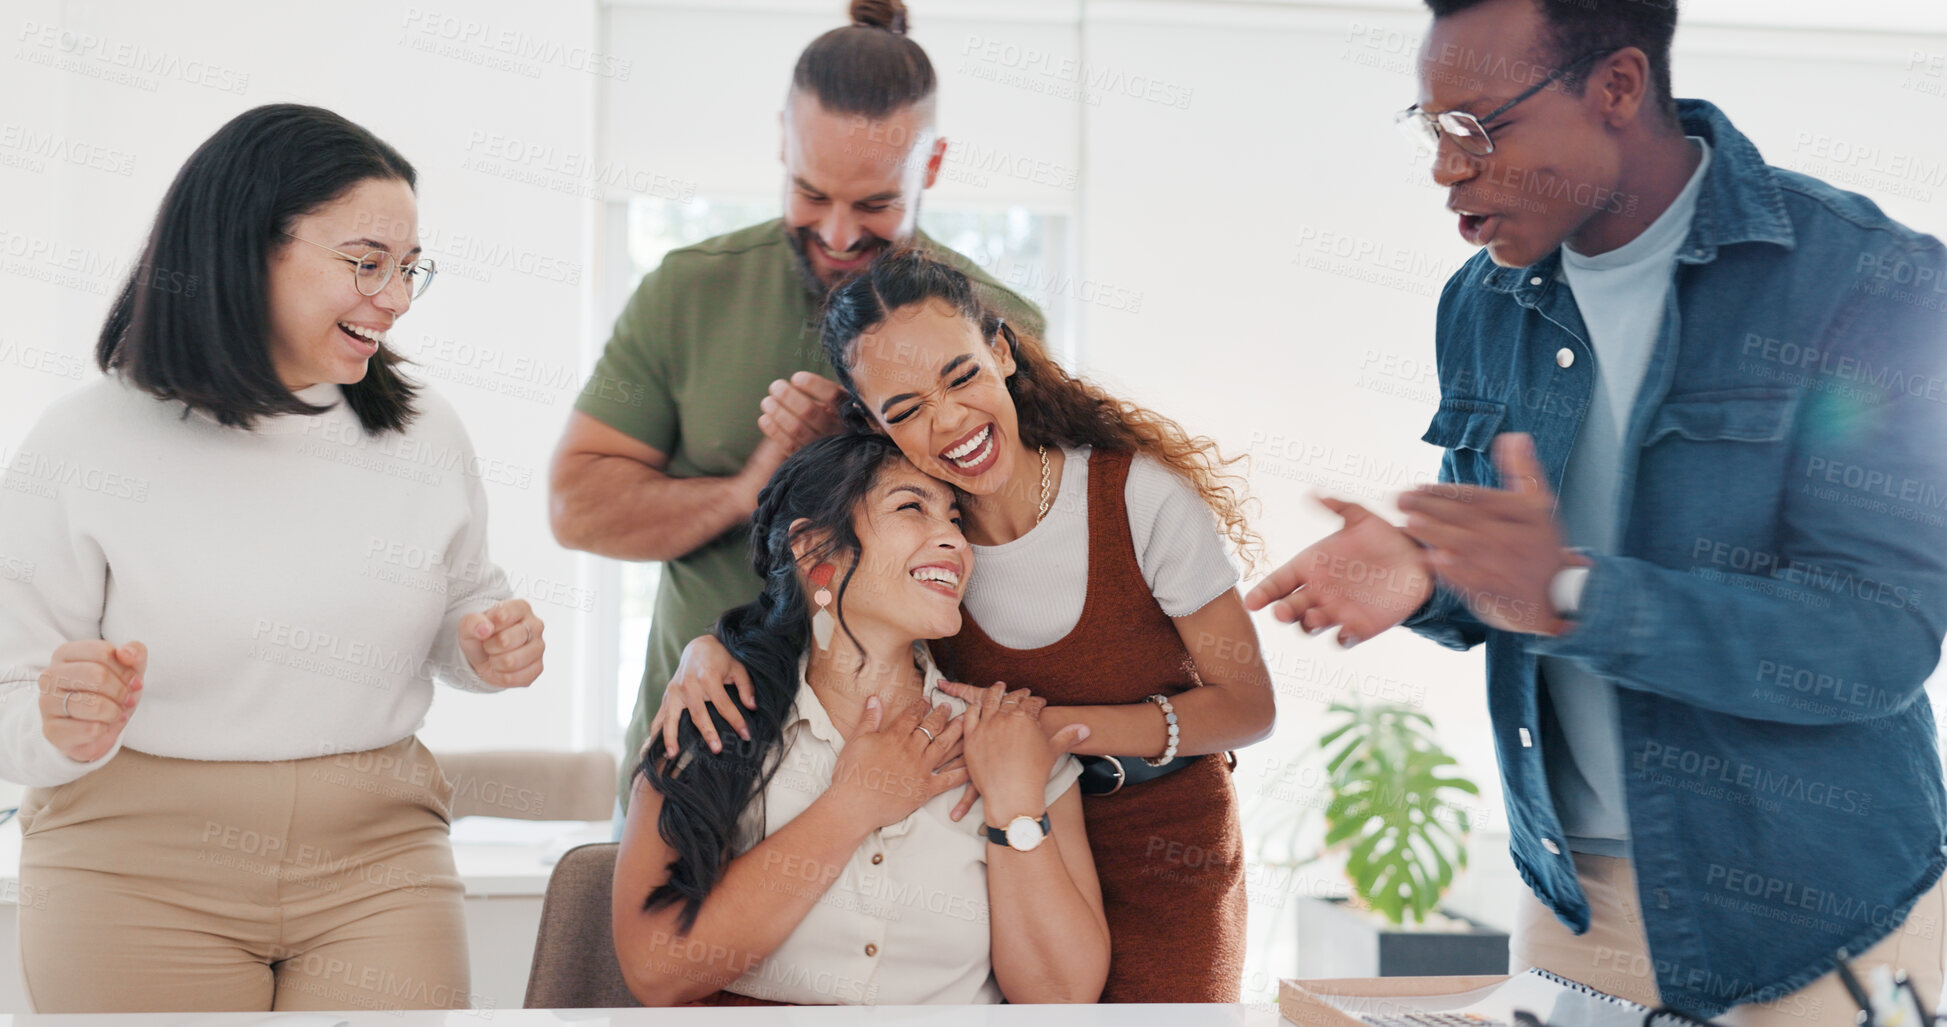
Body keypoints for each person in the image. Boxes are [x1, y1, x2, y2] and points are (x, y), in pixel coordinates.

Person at [1246, 1, 1947, 1022]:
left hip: (1826, 920)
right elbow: (1506, 572)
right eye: (1432, 127)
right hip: (1581, 912)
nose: (1447, 168)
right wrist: (1425, 568)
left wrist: (1576, 593)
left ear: (1617, 88)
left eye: (1480, 126)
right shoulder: (1482, 301)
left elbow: (1877, 637)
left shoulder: (1869, 284)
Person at [0, 103, 545, 1013]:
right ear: (243, 247)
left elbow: (461, 606)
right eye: (366, 262)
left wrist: (483, 643)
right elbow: (11, 695)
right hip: (135, 868)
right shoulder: (84, 442)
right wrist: (60, 721)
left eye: (409, 269)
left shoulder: (419, 428)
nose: (396, 297)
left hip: (378, 858)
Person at [651, 249, 1275, 1002]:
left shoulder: (1138, 499)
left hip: (1162, 843)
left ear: (1001, 350)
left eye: (961, 376)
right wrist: (704, 648)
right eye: (905, 409)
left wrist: (1038, 736)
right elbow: (810, 588)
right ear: (875, 423)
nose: (947, 421)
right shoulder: (921, 546)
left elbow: (1248, 705)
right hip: (999, 843)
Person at [546, 0, 1043, 814]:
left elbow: (1019, 551)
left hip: (919, 775)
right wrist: (752, 489)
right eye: (809, 192)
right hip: (703, 753)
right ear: (782, 137)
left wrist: (855, 449)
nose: (839, 233)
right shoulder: (686, 289)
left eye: (876, 204)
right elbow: (577, 510)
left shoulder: (1003, 326)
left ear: (935, 164)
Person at [612, 430, 1108, 1005]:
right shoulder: (711, 720)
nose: (953, 539)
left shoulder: (1011, 742)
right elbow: (655, 970)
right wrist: (854, 805)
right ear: (815, 549)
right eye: (911, 508)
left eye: (955, 519)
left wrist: (1016, 806)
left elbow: (1061, 999)